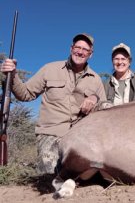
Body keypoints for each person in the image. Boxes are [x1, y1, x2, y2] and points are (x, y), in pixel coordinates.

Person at [0, 33, 107, 175]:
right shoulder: (49, 69)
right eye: (77, 47)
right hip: (51, 134)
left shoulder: (96, 79)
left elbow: (104, 109)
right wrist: (12, 75)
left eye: (85, 50)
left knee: (95, 170)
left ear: (90, 54)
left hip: (80, 135)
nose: (80, 52)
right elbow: (25, 94)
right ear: (71, 48)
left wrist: (94, 98)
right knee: (51, 176)